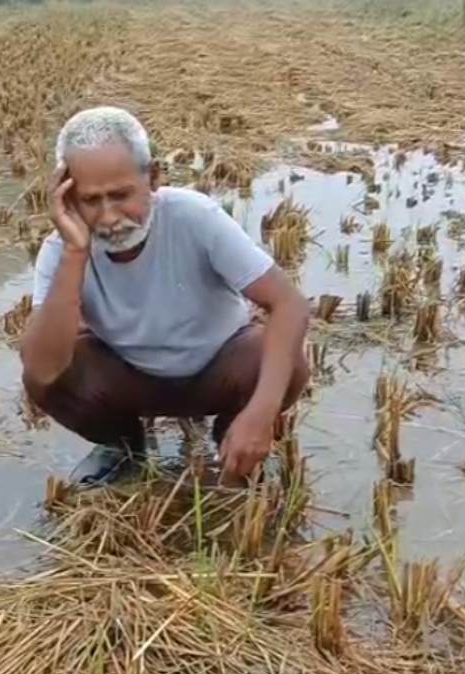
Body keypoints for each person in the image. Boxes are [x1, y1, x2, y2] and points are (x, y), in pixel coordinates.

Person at [21, 106, 310, 486]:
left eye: (122, 195)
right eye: (91, 200)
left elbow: (289, 303)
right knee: (50, 378)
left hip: (218, 370)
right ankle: (122, 446)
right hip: (129, 379)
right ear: (68, 197)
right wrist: (75, 253)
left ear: (153, 178)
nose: (109, 217)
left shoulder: (195, 217)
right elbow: (42, 367)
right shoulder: (61, 248)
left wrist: (261, 412)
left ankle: (236, 439)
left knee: (278, 360)